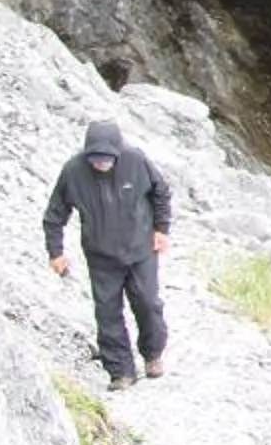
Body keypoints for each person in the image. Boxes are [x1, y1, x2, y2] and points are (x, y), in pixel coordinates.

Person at [44, 117, 174, 389]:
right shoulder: (73, 172)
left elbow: (160, 192)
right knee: (107, 312)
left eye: (106, 158)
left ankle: (153, 354)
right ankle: (120, 372)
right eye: (95, 158)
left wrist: (161, 229)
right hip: (101, 255)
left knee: (148, 303)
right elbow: (55, 215)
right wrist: (56, 252)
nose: (101, 163)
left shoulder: (136, 161)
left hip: (140, 249)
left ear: (117, 152)